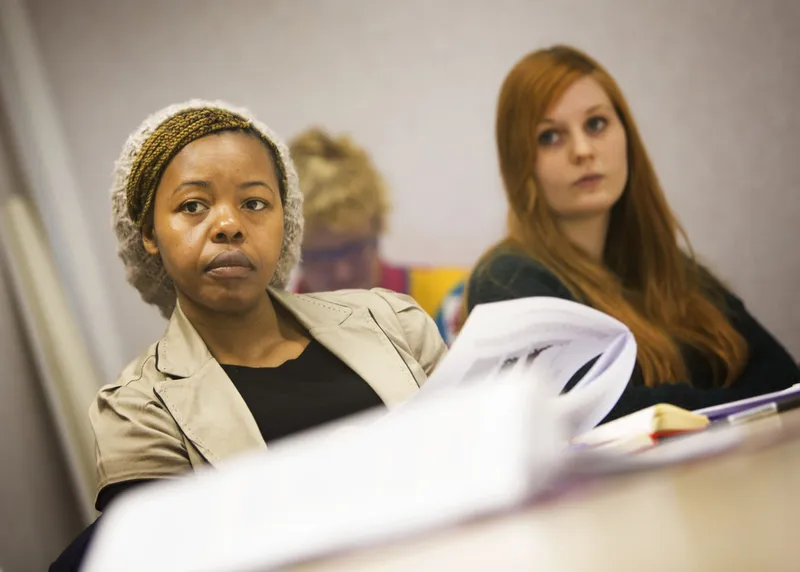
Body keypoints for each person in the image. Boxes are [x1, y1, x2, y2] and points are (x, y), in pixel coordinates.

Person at [51, 100, 446, 570]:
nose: (229, 226)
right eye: (193, 206)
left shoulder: (393, 319)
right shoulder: (137, 414)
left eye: (254, 203)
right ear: (150, 233)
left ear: (286, 219)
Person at [466, 45, 799, 421]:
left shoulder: (671, 266)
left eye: (596, 124)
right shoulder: (507, 278)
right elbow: (596, 414)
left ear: (627, 134)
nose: (582, 150)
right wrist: (735, 398)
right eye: (550, 137)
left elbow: (785, 378)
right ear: (519, 162)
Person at [288, 128, 466, 344]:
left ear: (377, 227)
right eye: (320, 257)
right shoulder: (273, 333)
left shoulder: (451, 303)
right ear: (291, 250)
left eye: (354, 248)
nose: (342, 273)